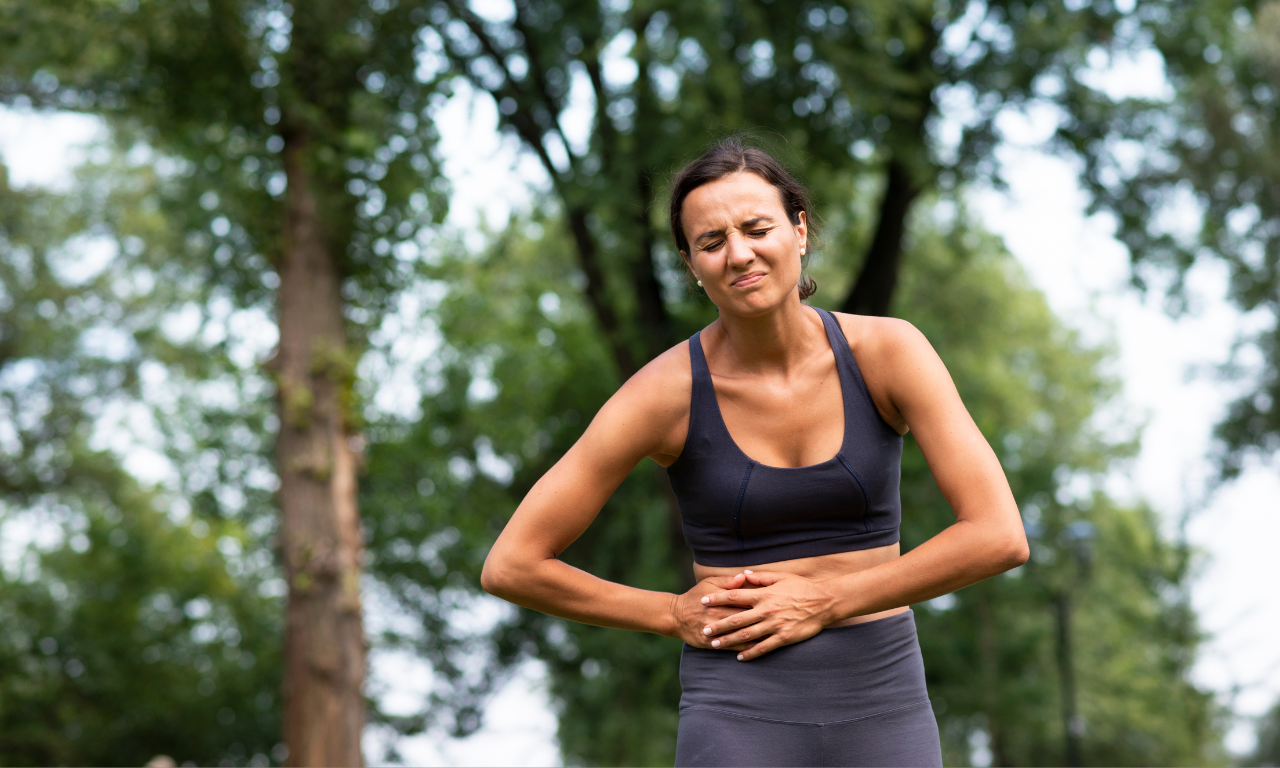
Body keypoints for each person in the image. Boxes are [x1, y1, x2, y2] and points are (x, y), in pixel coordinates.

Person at [480, 137, 1029, 767]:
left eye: (757, 228)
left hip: (884, 698)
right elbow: (512, 565)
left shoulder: (889, 352)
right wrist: (669, 613)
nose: (739, 254)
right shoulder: (663, 394)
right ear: (690, 264)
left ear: (799, 230)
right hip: (735, 708)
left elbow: (998, 535)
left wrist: (824, 602)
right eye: (711, 242)